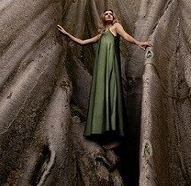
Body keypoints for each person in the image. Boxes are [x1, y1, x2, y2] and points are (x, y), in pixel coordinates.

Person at [57, 10, 152, 149]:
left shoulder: (116, 27)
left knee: (112, 95)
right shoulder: (101, 34)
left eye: (111, 14)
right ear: (102, 17)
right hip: (101, 69)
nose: (108, 15)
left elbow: (126, 36)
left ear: (113, 18)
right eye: (106, 13)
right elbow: (83, 42)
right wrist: (67, 34)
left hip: (111, 67)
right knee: (102, 96)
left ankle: (119, 138)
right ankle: (102, 134)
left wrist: (139, 42)